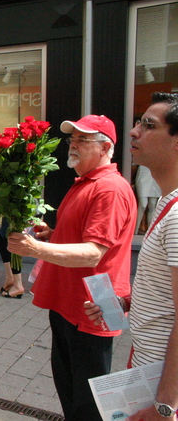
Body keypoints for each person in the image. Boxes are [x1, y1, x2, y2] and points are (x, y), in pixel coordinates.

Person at [7, 114, 137, 421]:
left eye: (82, 139)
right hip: (70, 306)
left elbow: (94, 253)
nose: (73, 145)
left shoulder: (109, 189)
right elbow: (86, 237)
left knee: (87, 405)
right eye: (72, 139)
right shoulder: (86, 183)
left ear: (106, 147)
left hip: (91, 312)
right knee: (71, 394)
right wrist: (52, 235)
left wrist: (36, 248)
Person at [84, 93, 178, 421]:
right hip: (149, 372)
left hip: (162, 391)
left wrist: (166, 405)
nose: (134, 131)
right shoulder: (169, 206)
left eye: (148, 125)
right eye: (138, 122)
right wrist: (127, 303)